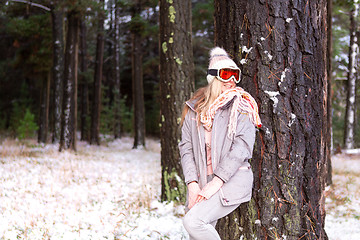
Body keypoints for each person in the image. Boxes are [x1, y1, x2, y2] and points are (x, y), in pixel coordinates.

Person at [178, 47, 261, 240]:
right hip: (201, 180)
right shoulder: (194, 109)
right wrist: (192, 184)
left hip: (230, 180)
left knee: (193, 222)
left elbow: (242, 148)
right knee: (195, 234)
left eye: (235, 75)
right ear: (214, 78)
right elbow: (186, 148)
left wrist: (216, 182)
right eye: (226, 74)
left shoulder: (242, 107)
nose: (232, 80)